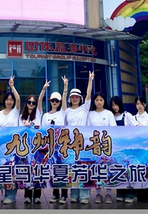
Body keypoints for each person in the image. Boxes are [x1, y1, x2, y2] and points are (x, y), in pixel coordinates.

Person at [66, 71, 93, 204]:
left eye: (77, 97)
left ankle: (84, 195)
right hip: (71, 145)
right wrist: (65, 87)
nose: (75, 99)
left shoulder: (84, 108)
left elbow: (88, 95)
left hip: (84, 144)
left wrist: (90, 80)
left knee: (84, 169)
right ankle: (74, 194)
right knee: (72, 169)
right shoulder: (67, 111)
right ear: (70, 99)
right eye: (73, 97)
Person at [122, 96, 148, 204]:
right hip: (137, 149)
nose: (139, 106)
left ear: (145, 105)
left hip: (147, 148)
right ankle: (140, 195)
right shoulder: (133, 117)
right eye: (137, 104)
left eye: (141, 104)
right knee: (138, 170)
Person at [20, 81, 48, 204]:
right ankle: (27, 195)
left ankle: (37, 196)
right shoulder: (21, 116)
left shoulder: (38, 114)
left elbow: (41, 100)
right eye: (29, 102)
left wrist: (43, 89)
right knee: (27, 170)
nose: (31, 104)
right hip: (26, 147)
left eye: (33, 102)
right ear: (26, 103)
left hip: (38, 147)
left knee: (37, 170)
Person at [43, 76, 68, 204]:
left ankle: (64, 195)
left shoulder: (62, 113)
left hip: (61, 145)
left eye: (56, 101)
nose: (54, 102)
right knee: (53, 169)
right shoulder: (45, 115)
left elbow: (64, 99)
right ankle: (55, 194)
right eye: (53, 100)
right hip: (50, 146)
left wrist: (65, 87)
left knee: (62, 168)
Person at [87, 92, 116, 204]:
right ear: (94, 101)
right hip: (95, 146)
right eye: (97, 100)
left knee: (107, 170)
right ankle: (98, 193)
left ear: (104, 101)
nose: (99, 102)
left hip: (107, 146)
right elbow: (87, 129)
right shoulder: (90, 114)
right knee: (97, 170)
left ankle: (108, 193)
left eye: (101, 100)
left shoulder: (109, 113)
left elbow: (114, 129)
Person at [0, 76, 21, 205]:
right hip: (2, 147)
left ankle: (12, 196)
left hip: (13, 146)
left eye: (11, 100)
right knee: (4, 170)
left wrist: (12, 86)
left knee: (12, 170)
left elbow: (18, 99)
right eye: (7, 99)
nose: (9, 101)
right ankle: (7, 194)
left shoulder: (15, 112)